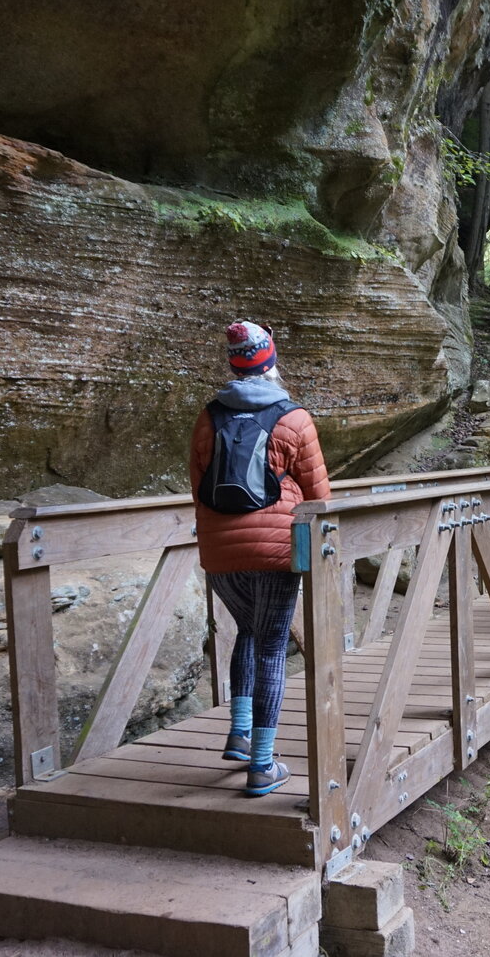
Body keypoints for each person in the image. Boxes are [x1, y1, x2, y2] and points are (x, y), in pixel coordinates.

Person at [189, 320, 331, 797]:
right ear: (270, 361)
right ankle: (262, 764)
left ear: (233, 363)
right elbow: (318, 496)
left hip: (219, 553)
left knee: (247, 631)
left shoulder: (209, 418)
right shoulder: (293, 418)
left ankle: (238, 734)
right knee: (272, 646)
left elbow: (197, 486)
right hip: (274, 550)